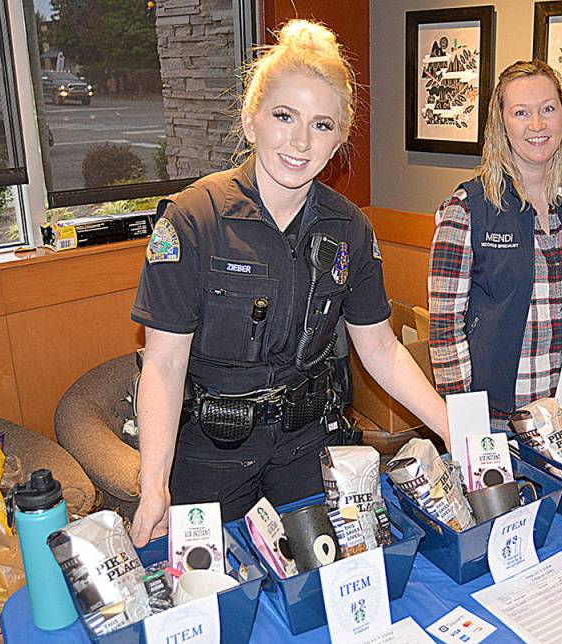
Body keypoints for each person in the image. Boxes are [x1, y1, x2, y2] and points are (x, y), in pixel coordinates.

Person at [129, 20, 448, 547]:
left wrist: (447, 424)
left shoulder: (350, 228)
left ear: (340, 139)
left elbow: (382, 349)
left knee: (322, 590)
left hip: (307, 449)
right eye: (284, 116)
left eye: (322, 125)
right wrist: (154, 484)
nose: (300, 141)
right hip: (211, 455)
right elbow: (163, 366)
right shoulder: (193, 220)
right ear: (251, 120)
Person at [428, 60, 562, 432]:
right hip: (501, 418)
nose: (537, 125)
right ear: (501, 123)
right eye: (521, 112)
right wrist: (462, 421)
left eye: (547, 109)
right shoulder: (468, 209)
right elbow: (446, 331)